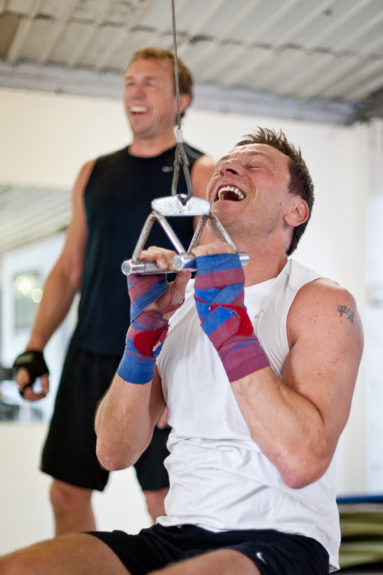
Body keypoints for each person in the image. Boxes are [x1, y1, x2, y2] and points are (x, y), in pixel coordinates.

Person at [2, 127, 363, 575]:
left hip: (284, 538)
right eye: (229, 162)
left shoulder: (321, 303)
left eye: (255, 165)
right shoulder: (181, 304)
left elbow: (302, 462)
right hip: (179, 532)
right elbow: (114, 452)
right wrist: (142, 333)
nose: (229, 167)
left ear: (295, 210)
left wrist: (231, 329)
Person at [12, 46, 215, 535]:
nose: (135, 91)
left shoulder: (203, 172)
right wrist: (34, 348)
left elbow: (212, 273)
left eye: (150, 82)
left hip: (163, 357)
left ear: (181, 100)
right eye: (129, 81)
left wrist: (193, 372)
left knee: (164, 500)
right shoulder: (93, 173)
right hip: (90, 352)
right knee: (65, 491)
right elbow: (68, 269)